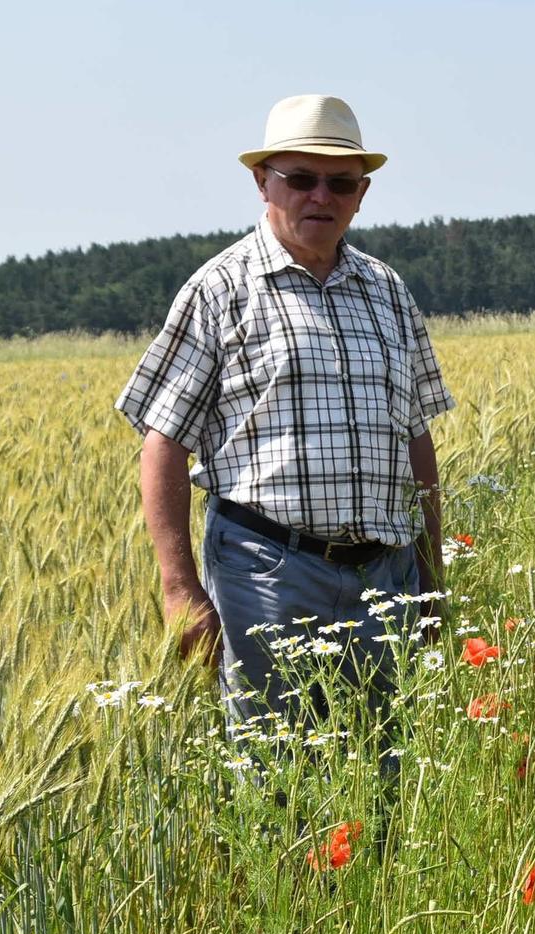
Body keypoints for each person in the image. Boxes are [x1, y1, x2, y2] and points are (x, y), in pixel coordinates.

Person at [116, 94, 454, 734]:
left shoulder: (387, 290)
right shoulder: (220, 289)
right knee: (277, 769)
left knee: (385, 768)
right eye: (300, 179)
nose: (319, 196)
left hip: (387, 574)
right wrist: (178, 589)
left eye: (340, 182)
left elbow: (417, 437)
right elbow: (163, 444)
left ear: (362, 194)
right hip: (267, 574)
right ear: (262, 182)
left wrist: (432, 570)